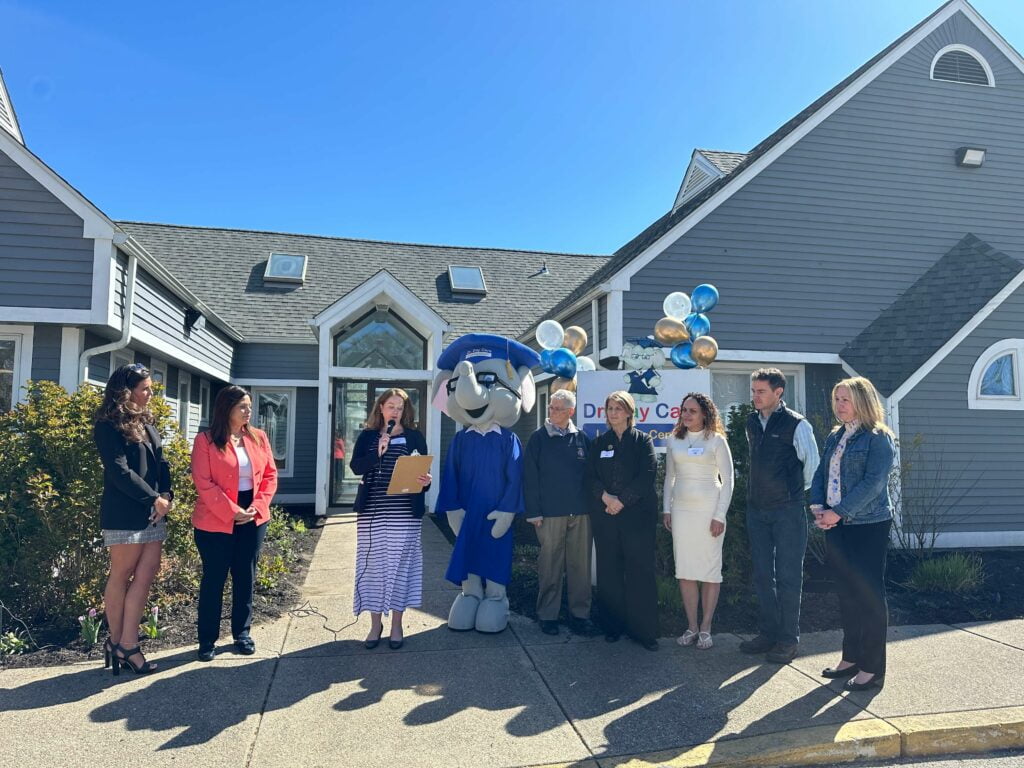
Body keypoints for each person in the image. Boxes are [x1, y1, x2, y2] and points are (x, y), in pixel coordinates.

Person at [811, 377, 896, 691]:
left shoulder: (879, 439)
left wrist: (839, 511)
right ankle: (851, 658)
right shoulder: (835, 436)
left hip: (868, 526)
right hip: (837, 524)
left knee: (868, 596)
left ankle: (872, 669)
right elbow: (822, 472)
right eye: (837, 400)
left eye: (845, 399)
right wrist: (819, 506)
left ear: (862, 401)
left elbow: (873, 485)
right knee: (847, 593)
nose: (839, 406)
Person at [94, 363, 173, 676]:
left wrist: (166, 496)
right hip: (126, 513)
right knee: (122, 573)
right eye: (145, 389)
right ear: (126, 391)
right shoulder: (107, 424)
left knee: (146, 573)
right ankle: (120, 644)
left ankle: (127, 642)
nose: (150, 394)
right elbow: (119, 471)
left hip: (154, 511)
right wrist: (153, 498)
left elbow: (162, 463)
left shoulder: (147, 422)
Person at [191, 385, 278, 661]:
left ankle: (242, 633)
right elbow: (204, 483)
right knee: (214, 579)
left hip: (253, 516)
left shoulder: (259, 437)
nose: (248, 411)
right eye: (243, 406)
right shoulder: (205, 441)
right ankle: (207, 640)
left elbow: (269, 476)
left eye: (249, 406)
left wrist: (257, 506)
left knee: (245, 576)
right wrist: (232, 512)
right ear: (226, 409)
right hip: (215, 521)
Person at [740, 368, 820, 663]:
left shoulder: (797, 425)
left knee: (788, 576)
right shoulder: (751, 423)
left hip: (787, 510)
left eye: (761, 391)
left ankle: (788, 639)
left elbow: (812, 467)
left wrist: (792, 494)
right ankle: (768, 634)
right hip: (756, 510)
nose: (755, 397)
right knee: (763, 576)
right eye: (753, 391)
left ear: (778, 392)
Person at [350, 388, 431, 650]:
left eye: (400, 407)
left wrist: (425, 482)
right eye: (391, 406)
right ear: (381, 408)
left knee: (399, 570)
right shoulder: (368, 436)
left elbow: (422, 474)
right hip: (372, 513)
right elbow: (357, 467)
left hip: (404, 514)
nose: (395, 411)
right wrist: (378, 453)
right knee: (373, 569)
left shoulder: (414, 437)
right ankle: (375, 624)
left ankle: (396, 624)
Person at [586, 390, 659, 650]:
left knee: (640, 572)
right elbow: (590, 477)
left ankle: (644, 631)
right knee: (609, 573)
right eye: (610, 408)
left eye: (618, 408)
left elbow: (647, 475)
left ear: (629, 412)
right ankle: (612, 627)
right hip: (606, 517)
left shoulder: (642, 442)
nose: (613, 413)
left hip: (637, 518)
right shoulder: (599, 443)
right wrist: (606, 498)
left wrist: (621, 501)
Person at [663, 393, 733, 650]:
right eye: (684, 410)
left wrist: (719, 515)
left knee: (710, 571)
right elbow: (669, 477)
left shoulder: (716, 440)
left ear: (705, 413)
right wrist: (666, 510)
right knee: (686, 570)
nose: (687, 415)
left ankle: (706, 627)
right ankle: (691, 626)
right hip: (681, 512)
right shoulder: (674, 440)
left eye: (692, 410)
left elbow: (728, 480)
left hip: (709, 513)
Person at [524, 388, 594, 636]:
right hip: (550, 514)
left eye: (557, 408)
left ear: (570, 412)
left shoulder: (582, 438)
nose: (552, 411)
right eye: (551, 407)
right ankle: (548, 615)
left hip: (581, 513)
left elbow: (591, 477)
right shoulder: (538, 438)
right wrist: (534, 512)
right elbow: (529, 477)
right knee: (550, 565)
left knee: (580, 567)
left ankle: (580, 615)